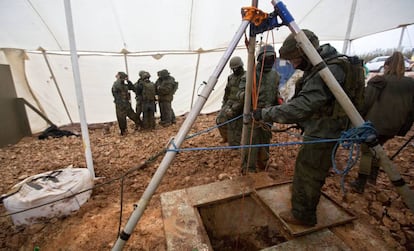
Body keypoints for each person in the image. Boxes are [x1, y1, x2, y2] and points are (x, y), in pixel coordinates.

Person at [252, 30, 354, 226]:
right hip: (323, 127)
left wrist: (265, 113)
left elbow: (301, 106)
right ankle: (303, 198)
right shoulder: (325, 65)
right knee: (309, 168)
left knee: (308, 171)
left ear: (306, 52)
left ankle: (303, 215)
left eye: (294, 60)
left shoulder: (328, 70)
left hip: (324, 131)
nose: (293, 64)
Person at [350, 51, 414, 193]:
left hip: (375, 125)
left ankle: (361, 182)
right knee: (378, 148)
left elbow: (365, 102)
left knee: (367, 150)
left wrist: (357, 120)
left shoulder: (380, 80)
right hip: (394, 126)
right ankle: (373, 177)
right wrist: (403, 128)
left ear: (386, 66)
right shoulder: (411, 83)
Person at [238, 44, 280, 173]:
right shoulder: (250, 75)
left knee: (265, 138)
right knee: (252, 141)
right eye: (266, 59)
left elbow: (275, 91)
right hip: (253, 115)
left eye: (271, 59)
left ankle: (263, 163)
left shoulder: (275, 75)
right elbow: (239, 95)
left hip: (268, 114)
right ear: (260, 59)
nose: (269, 62)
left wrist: (278, 99)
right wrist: (248, 93)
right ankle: (248, 168)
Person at [216, 56, 246, 145]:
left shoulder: (246, 76)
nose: (235, 70)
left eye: (237, 68)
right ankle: (226, 137)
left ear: (241, 66)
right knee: (220, 120)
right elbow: (227, 91)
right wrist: (224, 104)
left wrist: (235, 108)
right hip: (230, 101)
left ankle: (237, 141)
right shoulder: (230, 77)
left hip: (241, 103)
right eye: (233, 69)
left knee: (237, 124)